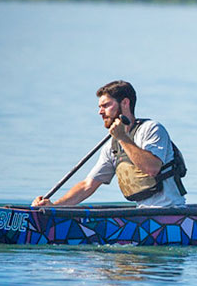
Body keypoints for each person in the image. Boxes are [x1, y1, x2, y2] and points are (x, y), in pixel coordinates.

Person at [32, 80, 186, 208]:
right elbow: (87, 186)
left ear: (125, 103)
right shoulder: (111, 146)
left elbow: (152, 168)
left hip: (171, 213)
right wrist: (54, 207)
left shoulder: (151, 129)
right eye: (99, 107)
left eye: (105, 105)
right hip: (142, 213)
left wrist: (123, 138)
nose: (100, 112)